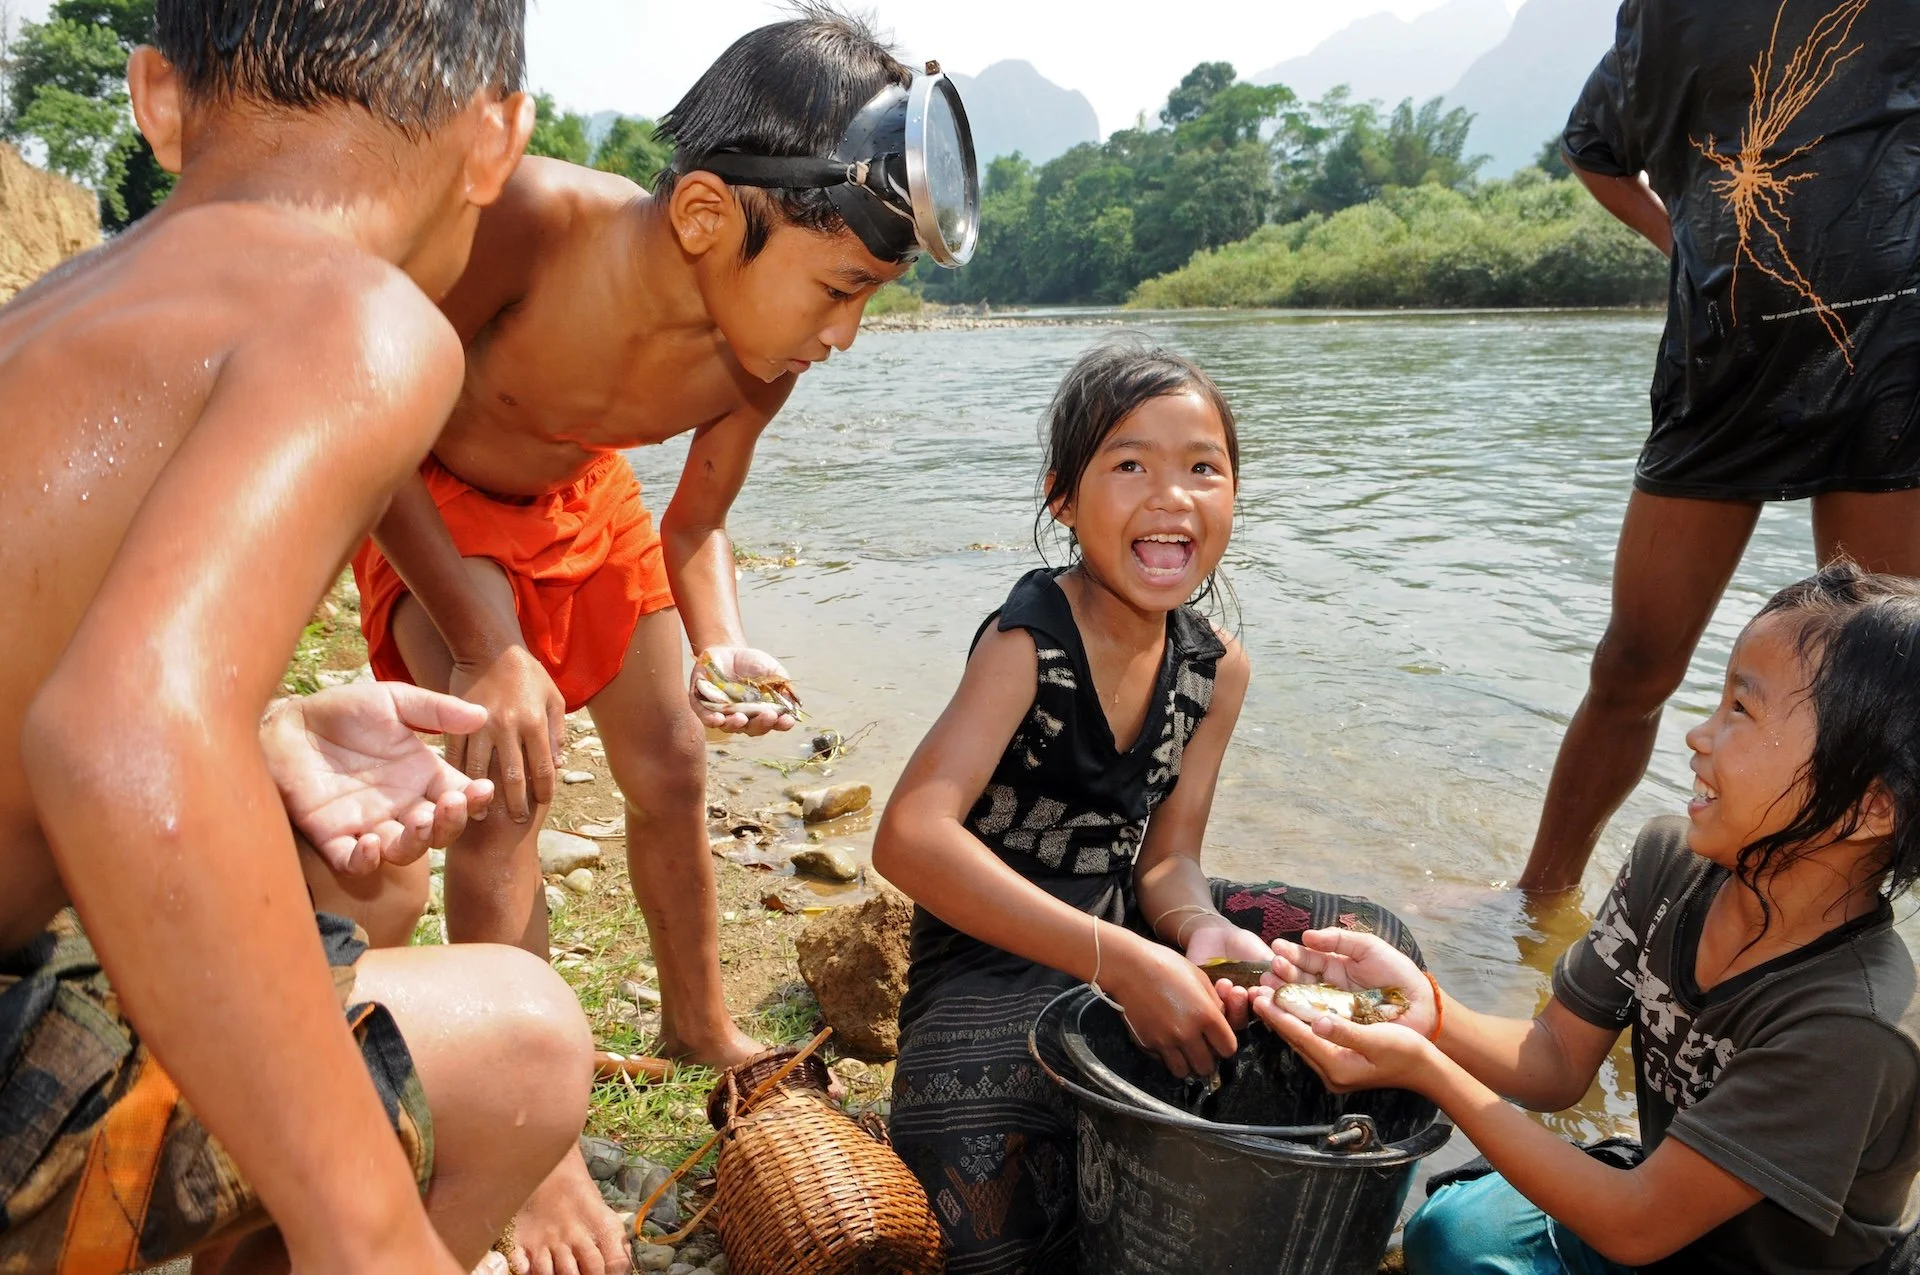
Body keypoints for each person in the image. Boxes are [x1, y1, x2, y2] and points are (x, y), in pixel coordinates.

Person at [340, 9, 980, 1265]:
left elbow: (695, 526)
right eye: (843, 289)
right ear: (703, 216)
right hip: (433, 497)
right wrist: (483, 639)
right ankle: (529, 1124)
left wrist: (722, 642)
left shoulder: (768, 354)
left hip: (590, 504)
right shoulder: (522, 223)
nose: (843, 333)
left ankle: (698, 1020)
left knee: (675, 763)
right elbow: (369, 415)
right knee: (503, 784)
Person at [0, 3, 599, 1272]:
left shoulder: (54, 313)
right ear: (497, 141)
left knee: (352, 885)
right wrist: (371, 1237)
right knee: (528, 1042)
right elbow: (116, 734)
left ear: (158, 97)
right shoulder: (363, 318)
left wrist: (260, 736)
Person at [871, 342, 1422, 1272]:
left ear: (1234, 497)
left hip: (1122, 922)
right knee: (982, 1221)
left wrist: (1201, 929)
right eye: (1130, 464)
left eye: (1203, 467)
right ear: (1062, 496)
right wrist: (1122, 962)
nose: (1172, 496)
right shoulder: (1027, 643)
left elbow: (1166, 860)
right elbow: (909, 837)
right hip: (989, 960)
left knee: (1373, 944)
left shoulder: (1217, 668)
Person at [1253, 561, 1920, 1274]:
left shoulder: (1853, 1026)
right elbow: (1557, 1058)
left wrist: (1429, 1071)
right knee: (1450, 1236)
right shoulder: (1672, 861)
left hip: (1718, 1249)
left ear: (1867, 809)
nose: (1698, 734)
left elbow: (1635, 1226)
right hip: (1652, 1209)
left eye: (1741, 711)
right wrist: (1427, 1011)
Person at [1520, 0, 1920, 893]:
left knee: (1891, 679)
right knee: (1633, 661)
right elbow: (1594, 150)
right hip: (1721, 365)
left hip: (1889, 358)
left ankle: (1833, 932)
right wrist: (1688, 248)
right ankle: (1537, 900)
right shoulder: (1665, 11)